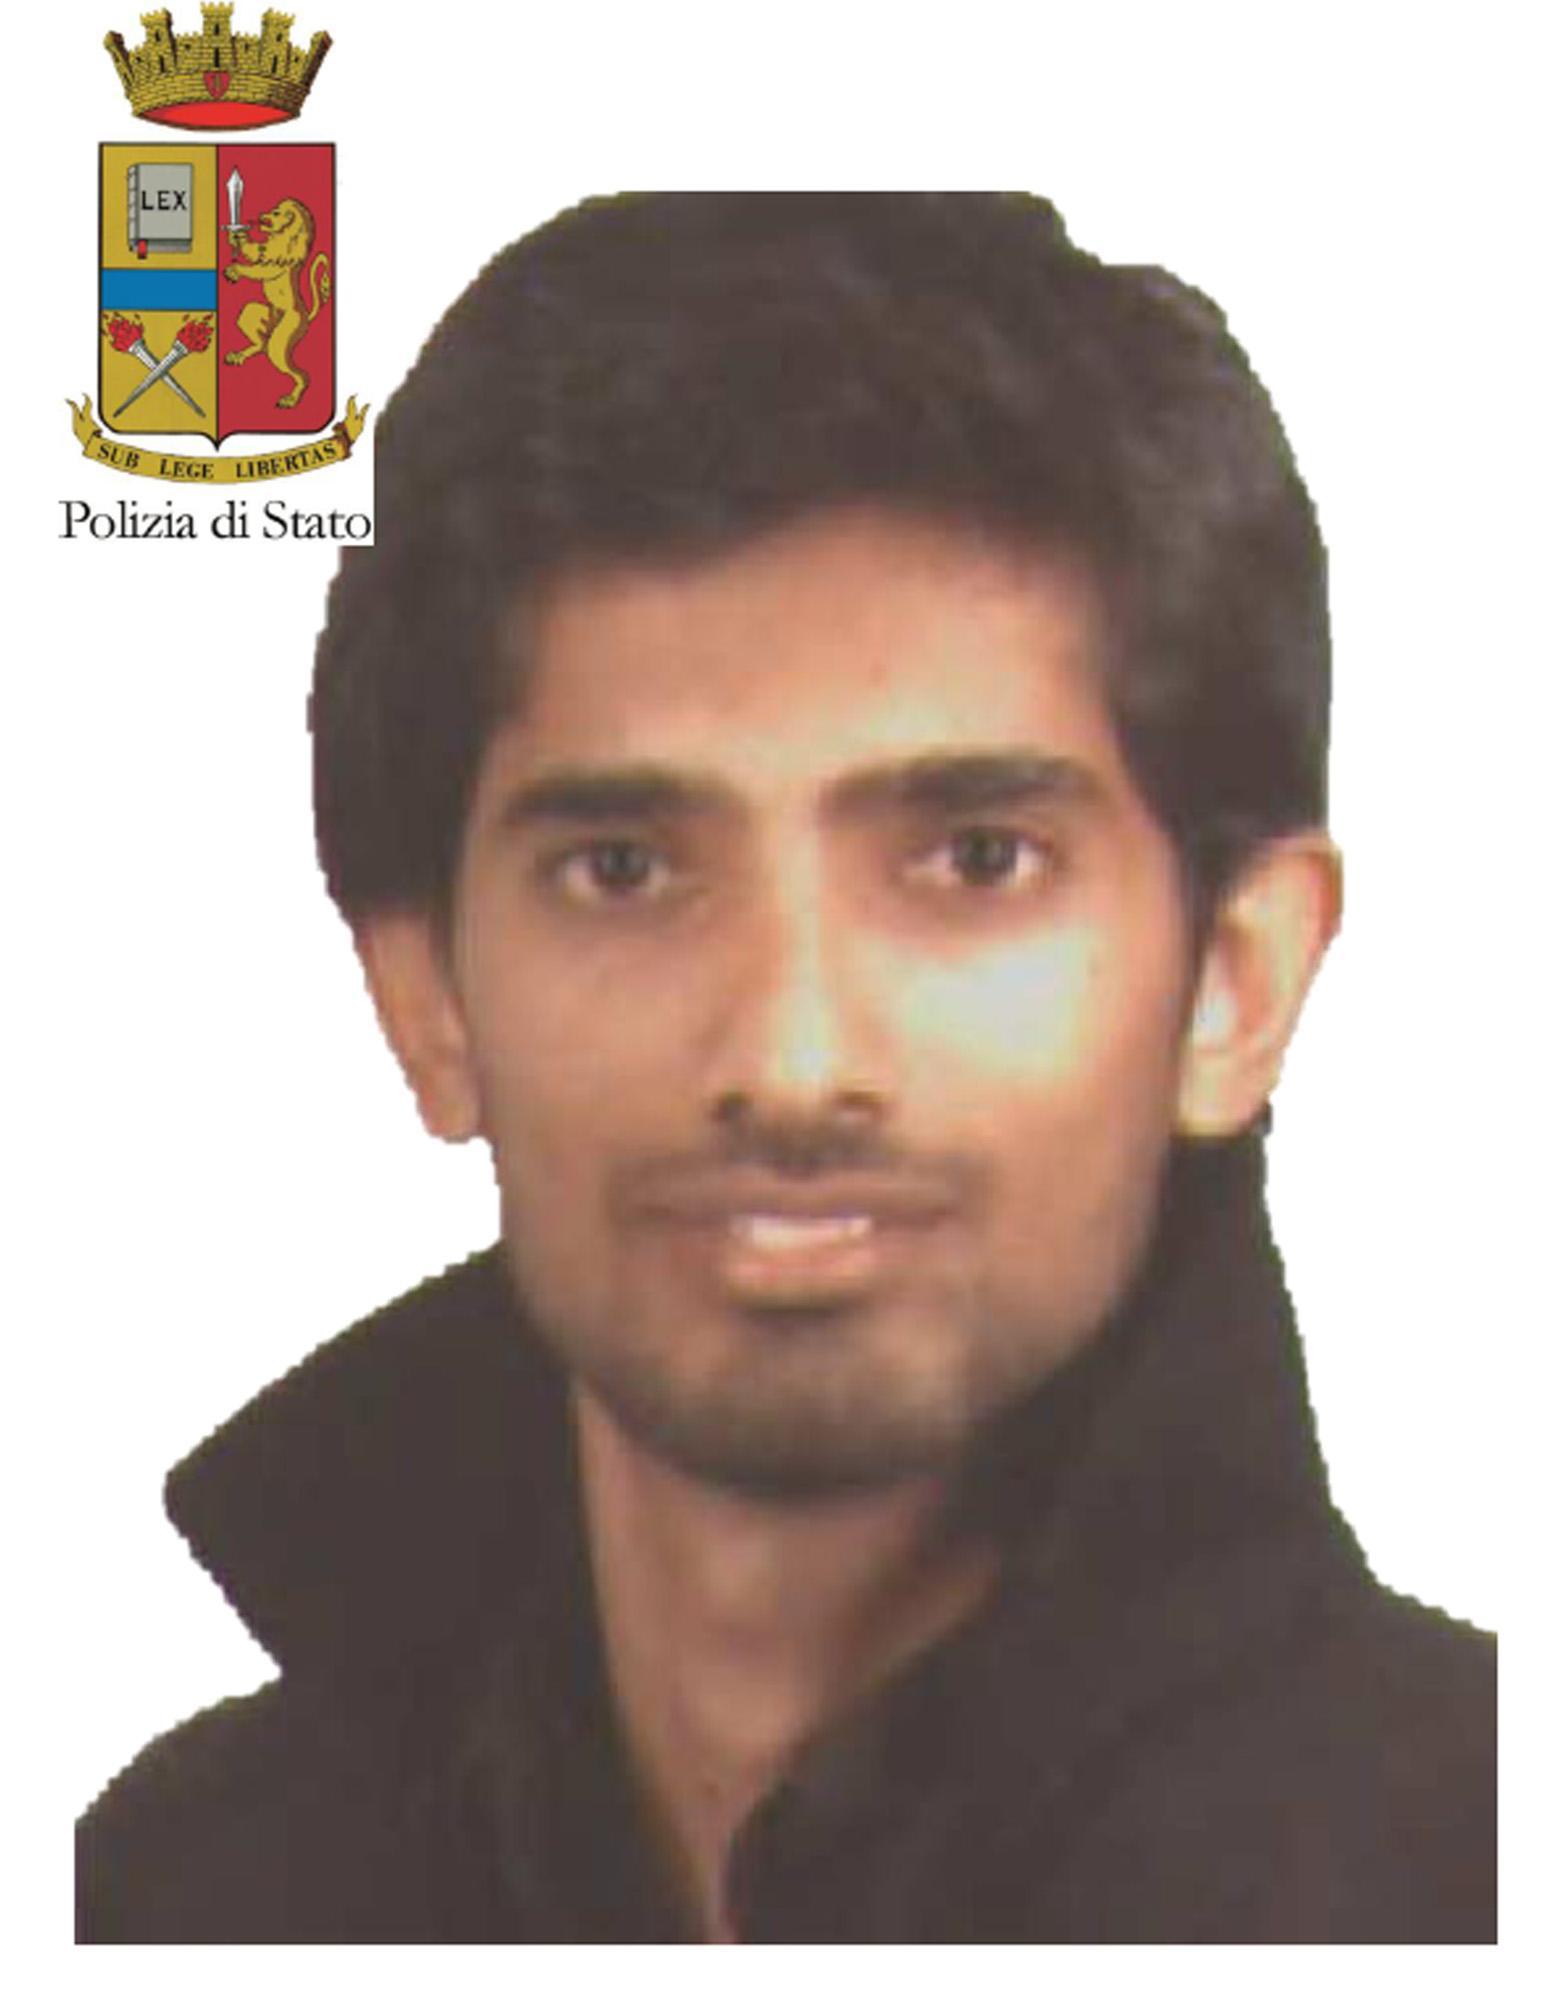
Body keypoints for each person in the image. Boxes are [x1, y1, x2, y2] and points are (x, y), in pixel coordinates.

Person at [76, 192, 1495, 1944]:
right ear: (426, 999)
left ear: (1234, 982)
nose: (791, 1060)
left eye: (973, 860)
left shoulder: (1483, 1877)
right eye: (623, 871)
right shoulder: (176, 1900)